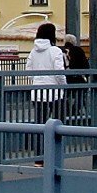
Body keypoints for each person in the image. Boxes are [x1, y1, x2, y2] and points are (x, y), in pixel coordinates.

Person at [24, 22, 67, 165]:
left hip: (37, 92)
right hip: (55, 93)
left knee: (40, 126)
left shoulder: (33, 51)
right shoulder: (55, 51)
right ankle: (56, 157)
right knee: (58, 126)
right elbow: (59, 72)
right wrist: (64, 86)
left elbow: (28, 71)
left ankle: (39, 159)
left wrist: (37, 81)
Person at [62, 32, 90, 119]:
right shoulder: (78, 50)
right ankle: (75, 110)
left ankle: (65, 112)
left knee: (65, 95)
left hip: (65, 79)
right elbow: (86, 66)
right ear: (74, 42)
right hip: (78, 79)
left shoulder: (60, 51)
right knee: (80, 94)